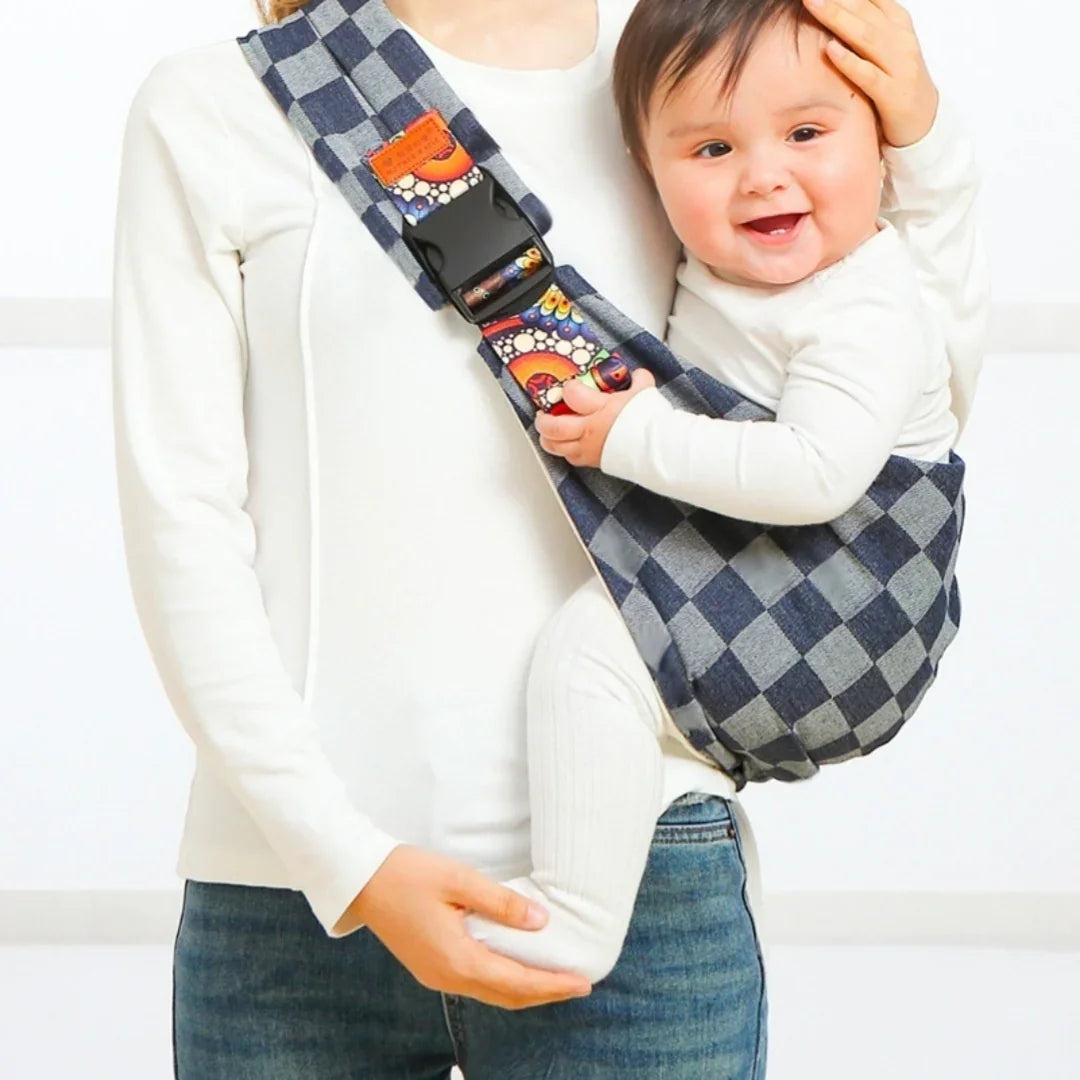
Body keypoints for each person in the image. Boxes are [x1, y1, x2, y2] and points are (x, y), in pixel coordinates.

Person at [109, 0, 980, 1076]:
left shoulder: (692, 94)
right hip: (291, 897)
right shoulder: (222, 103)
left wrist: (927, 149)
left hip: (641, 880)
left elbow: (899, 410)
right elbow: (179, 525)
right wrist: (346, 859)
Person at [462, 0, 987, 984]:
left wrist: (631, 435)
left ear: (884, 148)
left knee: (592, 655)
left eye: (806, 132)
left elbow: (815, 475)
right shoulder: (729, 271)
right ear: (643, 173)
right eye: (709, 147)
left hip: (845, 602)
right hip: (761, 576)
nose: (763, 174)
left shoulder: (867, 307)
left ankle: (577, 915)